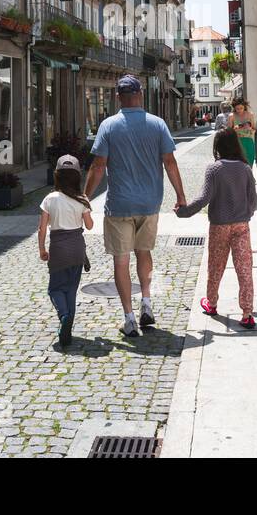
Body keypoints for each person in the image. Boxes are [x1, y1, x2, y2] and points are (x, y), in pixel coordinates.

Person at [85, 74, 186, 338]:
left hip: (119, 205)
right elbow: (170, 162)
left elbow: (98, 166)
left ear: (118, 97)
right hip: (149, 203)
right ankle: (147, 303)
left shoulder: (108, 126)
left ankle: (129, 317)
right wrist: (181, 196)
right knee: (144, 252)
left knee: (121, 260)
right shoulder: (158, 124)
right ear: (141, 94)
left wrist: (85, 197)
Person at [176, 128, 257, 329]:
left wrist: (184, 212)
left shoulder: (214, 169)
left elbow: (204, 198)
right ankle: (247, 313)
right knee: (244, 269)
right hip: (241, 225)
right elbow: (254, 199)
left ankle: (211, 304)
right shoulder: (245, 169)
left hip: (219, 226)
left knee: (215, 266)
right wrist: (246, 214)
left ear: (218, 147)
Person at [38, 154, 93, 348]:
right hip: (77, 249)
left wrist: (42, 249)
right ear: (78, 177)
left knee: (54, 288)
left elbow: (42, 228)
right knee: (71, 289)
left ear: (57, 177)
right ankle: (67, 329)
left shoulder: (50, 198)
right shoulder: (82, 199)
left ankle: (64, 316)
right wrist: (84, 209)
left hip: (58, 249)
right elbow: (90, 225)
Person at [231, 99, 257, 166]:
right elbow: (228, 131)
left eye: (241, 108)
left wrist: (250, 128)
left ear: (244, 107)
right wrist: (235, 129)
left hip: (248, 141)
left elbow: (254, 129)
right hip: (237, 142)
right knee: (238, 164)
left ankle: (248, 176)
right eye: (237, 108)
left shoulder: (250, 115)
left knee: (249, 163)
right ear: (234, 108)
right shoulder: (232, 116)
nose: (239, 110)